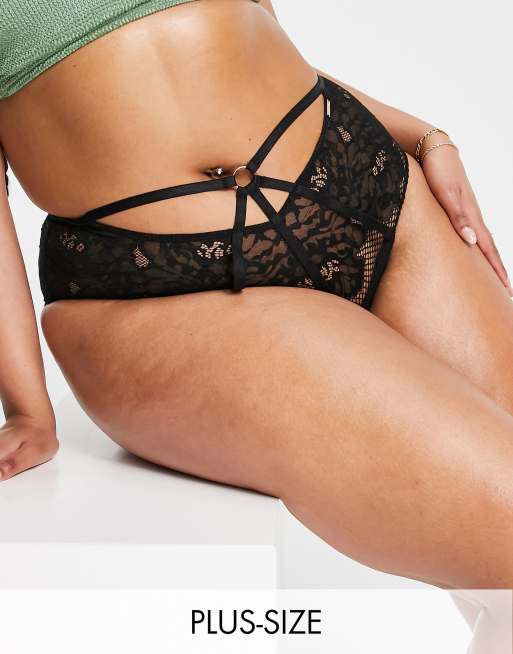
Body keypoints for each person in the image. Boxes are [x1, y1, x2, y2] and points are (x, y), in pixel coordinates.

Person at [1, 1, 512, 647]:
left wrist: (425, 135)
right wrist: (28, 409)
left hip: (364, 179)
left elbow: (257, 41)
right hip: (161, 283)